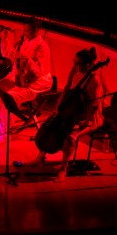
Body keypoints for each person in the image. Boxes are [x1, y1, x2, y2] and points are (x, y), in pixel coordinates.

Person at [27, 47, 105, 183]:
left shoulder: (95, 81)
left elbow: (94, 106)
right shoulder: (76, 72)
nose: (74, 66)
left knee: (71, 137)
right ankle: (42, 156)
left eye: (78, 63)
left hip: (89, 117)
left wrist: (85, 123)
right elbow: (68, 89)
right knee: (52, 127)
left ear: (88, 65)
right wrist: (59, 107)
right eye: (74, 62)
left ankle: (63, 169)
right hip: (72, 112)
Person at [0, 19, 53, 144]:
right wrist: (5, 38)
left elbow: (40, 72)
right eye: (24, 30)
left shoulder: (42, 47)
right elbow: (9, 56)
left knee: (7, 98)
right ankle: (0, 123)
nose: (25, 33)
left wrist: (27, 59)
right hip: (19, 77)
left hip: (36, 82)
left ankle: (7, 133)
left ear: (36, 30)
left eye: (28, 30)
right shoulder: (24, 41)